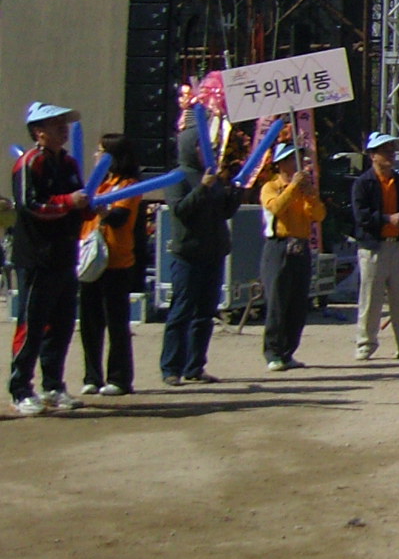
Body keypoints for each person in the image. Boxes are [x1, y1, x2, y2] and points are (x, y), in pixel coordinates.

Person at [11, 101, 89, 414]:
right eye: (55, 124)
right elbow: (31, 204)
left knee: (62, 323)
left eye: (64, 123)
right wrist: (69, 201)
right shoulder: (30, 163)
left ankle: (53, 386)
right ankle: (20, 389)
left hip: (64, 253)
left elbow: (80, 200)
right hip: (36, 255)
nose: (63, 128)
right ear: (38, 132)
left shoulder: (69, 163)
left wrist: (89, 207)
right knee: (32, 324)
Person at [161, 145, 246, 387]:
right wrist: (202, 188)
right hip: (187, 255)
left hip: (214, 253)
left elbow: (225, 212)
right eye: (200, 146)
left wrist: (234, 192)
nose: (205, 150)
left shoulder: (212, 175)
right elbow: (180, 210)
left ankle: (195, 366)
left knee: (205, 315)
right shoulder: (177, 177)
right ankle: (171, 368)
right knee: (181, 313)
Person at [351, 133, 399, 361]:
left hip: (398, 247)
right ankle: (365, 343)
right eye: (385, 151)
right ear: (373, 155)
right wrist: (388, 219)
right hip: (373, 248)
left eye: (392, 150)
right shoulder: (363, 183)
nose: (391, 155)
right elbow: (361, 216)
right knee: (370, 299)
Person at [78, 133, 143, 397]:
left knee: (116, 323)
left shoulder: (129, 185)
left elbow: (119, 217)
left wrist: (103, 211)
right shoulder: (98, 185)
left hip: (116, 262)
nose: (96, 156)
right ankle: (92, 376)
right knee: (89, 323)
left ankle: (119, 378)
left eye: (101, 151)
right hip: (90, 260)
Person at [257, 142, 326, 372]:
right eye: (290, 159)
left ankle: (288, 351)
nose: (295, 164)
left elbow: (318, 214)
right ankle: (273, 352)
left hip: (300, 246)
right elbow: (275, 208)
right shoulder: (271, 187)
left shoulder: (305, 188)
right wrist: (291, 188)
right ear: (280, 164)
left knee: (297, 303)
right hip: (278, 247)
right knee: (277, 301)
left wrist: (310, 196)